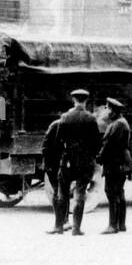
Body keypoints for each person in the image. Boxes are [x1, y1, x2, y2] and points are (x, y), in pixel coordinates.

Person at [50, 89, 102, 236]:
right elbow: (97, 143)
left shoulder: (65, 117)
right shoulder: (90, 118)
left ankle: (59, 227)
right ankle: (76, 228)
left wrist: (63, 157)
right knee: (80, 193)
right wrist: (90, 156)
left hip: (67, 161)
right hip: (85, 161)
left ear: (73, 100)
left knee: (62, 194)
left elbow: (58, 140)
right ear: (86, 101)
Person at [98, 97, 132, 234]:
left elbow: (108, 145)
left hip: (115, 163)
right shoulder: (122, 122)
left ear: (113, 111)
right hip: (121, 162)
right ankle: (121, 224)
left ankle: (113, 225)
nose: (106, 111)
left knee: (111, 192)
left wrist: (99, 157)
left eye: (107, 108)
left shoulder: (117, 125)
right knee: (119, 192)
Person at [41, 118, 63, 231]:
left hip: (54, 165)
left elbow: (45, 147)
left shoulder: (55, 125)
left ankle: (58, 225)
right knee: (62, 192)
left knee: (57, 193)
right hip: (60, 164)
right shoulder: (66, 125)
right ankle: (64, 222)